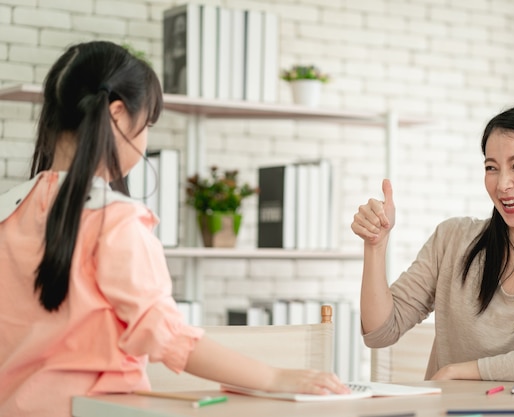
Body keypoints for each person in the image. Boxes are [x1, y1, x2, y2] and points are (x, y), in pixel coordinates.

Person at [0, 41, 348, 417]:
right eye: (147, 124)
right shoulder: (114, 220)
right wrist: (276, 378)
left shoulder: (7, 213)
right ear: (117, 115)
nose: (146, 139)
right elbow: (167, 336)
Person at [351, 104, 514, 383]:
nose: (502, 184)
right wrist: (376, 246)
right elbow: (380, 332)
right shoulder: (452, 239)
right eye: (491, 167)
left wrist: (461, 371)